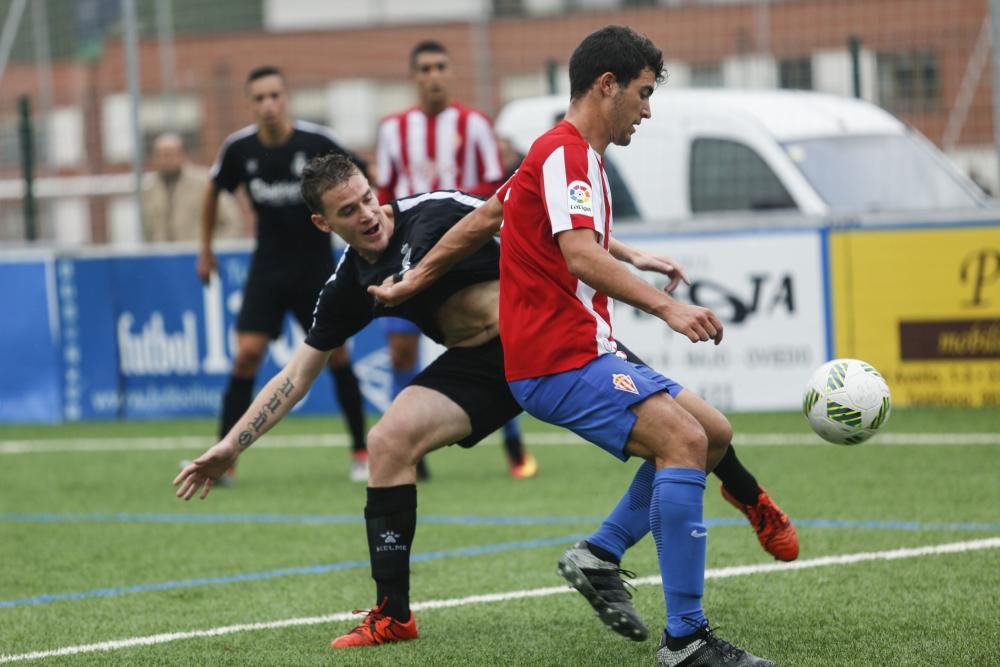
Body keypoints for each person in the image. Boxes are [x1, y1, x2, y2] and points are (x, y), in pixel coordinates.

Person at [369, 26, 776, 667]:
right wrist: (667, 306)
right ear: (606, 85)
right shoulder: (566, 154)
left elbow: (481, 220)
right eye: (642, 94)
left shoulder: (554, 155)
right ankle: (687, 640)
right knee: (685, 443)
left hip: (574, 352)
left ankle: (601, 553)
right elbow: (581, 255)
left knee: (711, 432)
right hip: (560, 359)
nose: (647, 109)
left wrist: (416, 277)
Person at [175, 153, 532, 649]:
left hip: (545, 337)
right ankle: (393, 615)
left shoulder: (434, 210)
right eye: (348, 210)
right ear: (323, 221)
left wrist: (625, 257)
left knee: (675, 432)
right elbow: (297, 376)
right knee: (386, 442)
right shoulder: (349, 285)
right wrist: (232, 446)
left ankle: (607, 547)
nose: (366, 214)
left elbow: (526, 207)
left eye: (368, 198)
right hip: (481, 365)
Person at [198, 65, 370, 483]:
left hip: (317, 270)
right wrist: (205, 249)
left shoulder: (318, 142)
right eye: (259, 98)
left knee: (338, 356)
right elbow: (214, 189)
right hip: (267, 269)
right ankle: (225, 460)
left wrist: (367, 238)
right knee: (247, 356)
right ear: (251, 104)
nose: (268, 105)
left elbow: (364, 176)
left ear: (286, 98)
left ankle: (361, 453)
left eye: (275, 95)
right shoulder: (239, 149)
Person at [374, 39, 536, 480]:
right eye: (424, 68)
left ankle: (515, 447)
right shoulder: (393, 129)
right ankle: (412, 451)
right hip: (411, 254)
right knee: (401, 349)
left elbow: (491, 192)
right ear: (414, 76)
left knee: (498, 341)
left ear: (450, 72)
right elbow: (386, 195)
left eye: (440, 67)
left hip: (470, 254)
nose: (433, 75)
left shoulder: (476, 126)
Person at [142, 133, 245, 242]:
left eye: (171, 154)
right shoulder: (149, 188)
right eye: (162, 155)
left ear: (182, 154)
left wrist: (213, 249)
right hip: (161, 255)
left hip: (197, 254)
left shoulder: (205, 182)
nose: (167, 159)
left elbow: (232, 222)